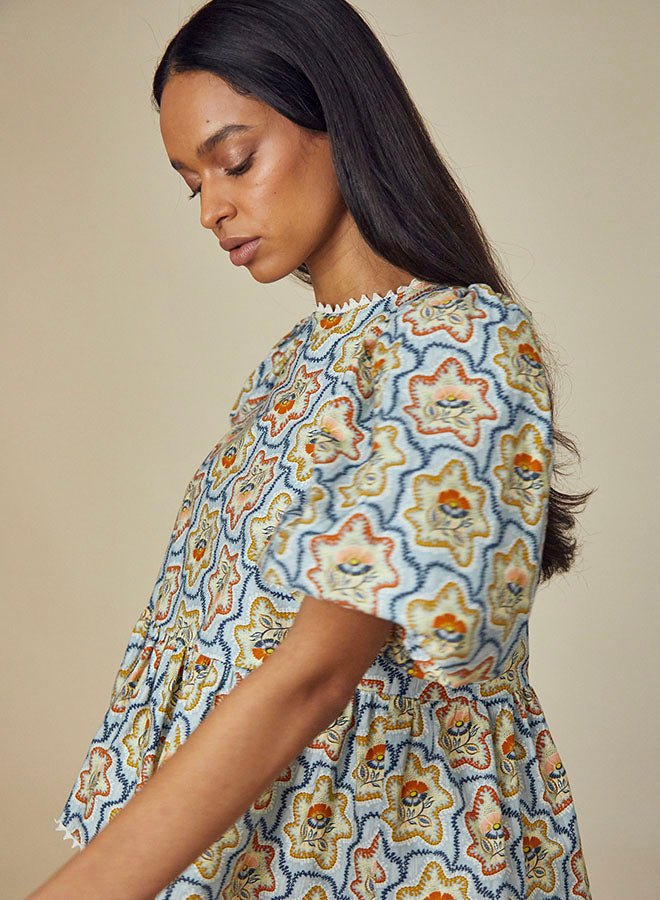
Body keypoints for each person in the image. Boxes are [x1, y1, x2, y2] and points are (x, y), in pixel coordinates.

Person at [31, 1, 595, 897]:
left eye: (234, 161)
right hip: (257, 851)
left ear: (339, 119)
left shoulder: (462, 343)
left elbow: (315, 676)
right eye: (190, 183)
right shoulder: (293, 365)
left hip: (387, 861)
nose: (212, 209)